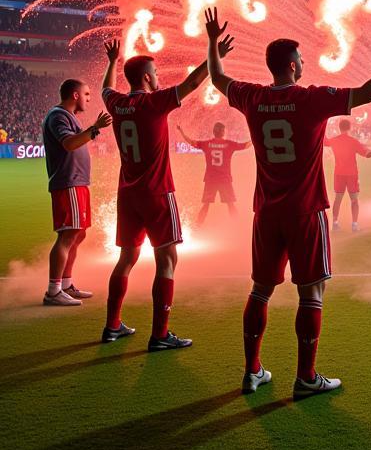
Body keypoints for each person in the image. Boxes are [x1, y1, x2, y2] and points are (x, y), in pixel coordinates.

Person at [204, 7, 371, 399]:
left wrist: (213, 42)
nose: (304, 64)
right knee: (312, 291)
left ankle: (252, 371)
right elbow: (367, 92)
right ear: (291, 64)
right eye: (300, 59)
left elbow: (217, 77)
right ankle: (305, 378)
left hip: (266, 211)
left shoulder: (251, 96)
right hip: (304, 211)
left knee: (260, 289)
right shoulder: (312, 99)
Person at [101, 36, 230, 349]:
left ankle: (112, 326)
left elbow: (106, 88)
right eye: (155, 73)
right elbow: (193, 82)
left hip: (128, 193)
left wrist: (111, 62)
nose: (158, 78)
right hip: (157, 193)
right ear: (146, 78)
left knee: (126, 258)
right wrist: (213, 52)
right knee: (168, 258)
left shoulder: (117, 103)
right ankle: (160, 334)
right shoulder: (153, 103)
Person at [40, 79, 112, 305]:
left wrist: (92, 129)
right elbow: (69, 144)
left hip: (77, 182)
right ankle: (53, 291)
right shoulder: (58, 116)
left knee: (78, 234)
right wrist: (94, 129)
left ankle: (66, 284)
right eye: (87, 94)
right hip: (68, 182)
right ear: (74, 95)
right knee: (68, 234)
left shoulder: (67, 117)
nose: (89, 99)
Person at [176, 121, 250, 225]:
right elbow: (246, 145)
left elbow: (191, 142)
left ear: (214, 132)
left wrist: (181, 132)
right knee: (231, 205)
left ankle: (198, 226)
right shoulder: (229, 144)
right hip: (225, 180)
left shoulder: (206, 144)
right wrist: (256, 137)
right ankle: (238, 225)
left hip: (211, 180)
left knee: (206, 205)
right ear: (223, 132)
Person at [324, 118, 371, 232]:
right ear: (350, 128)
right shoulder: (353, 142)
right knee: (354, 200)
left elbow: (324, 141)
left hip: (338, 174)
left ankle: (335, 223)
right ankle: (354, 224)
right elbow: (368, 154)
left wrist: (321, 125)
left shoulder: (334, 140)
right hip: (351, 174)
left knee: (337, 199)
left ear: (339, 128)